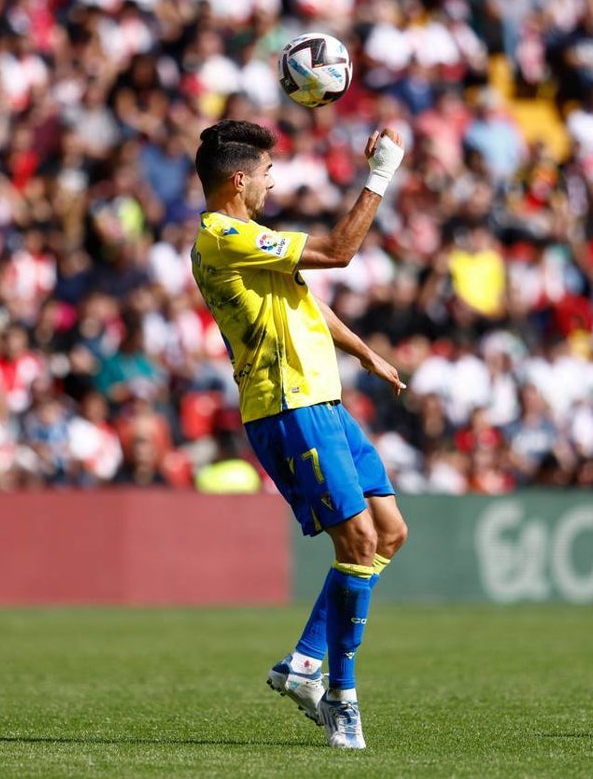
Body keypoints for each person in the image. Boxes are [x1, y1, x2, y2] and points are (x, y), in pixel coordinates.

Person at [190, 119, 408, 749]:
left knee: (389, 531)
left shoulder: (252, 237)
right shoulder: (221, 235)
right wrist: (382, 173)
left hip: (324, 400)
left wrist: (366, 354)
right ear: (238, 180)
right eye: (264, 172)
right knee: (360, 539)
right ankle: (339, 694)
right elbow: (341, 252)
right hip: (286, 405)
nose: (270, 180)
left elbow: (306, 302)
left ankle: (305, 660)